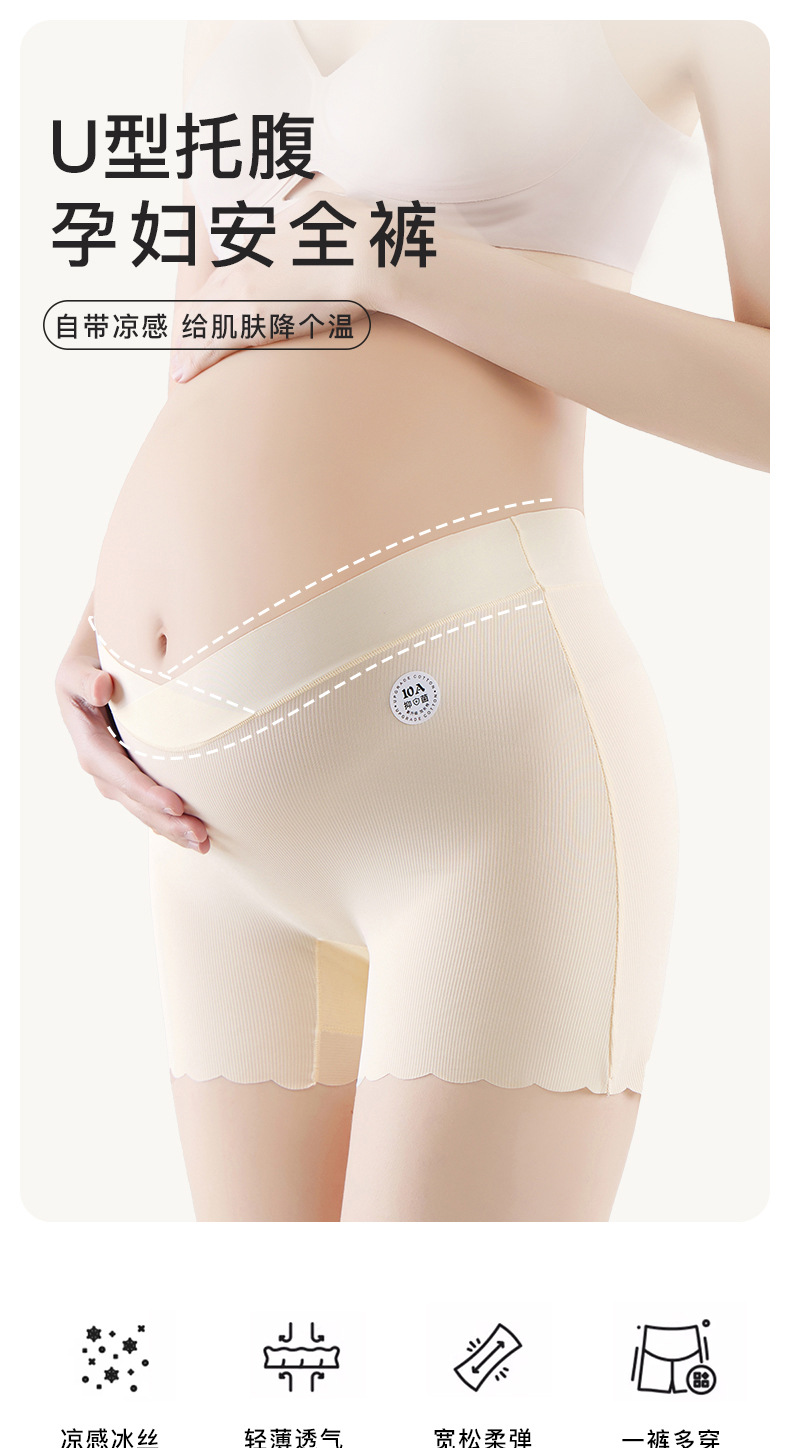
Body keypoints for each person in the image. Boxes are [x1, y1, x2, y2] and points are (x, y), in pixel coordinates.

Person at [55, 19, 768, 1223]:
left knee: (439, 1334)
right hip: (209, 832)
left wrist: (399, 260)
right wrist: (101, 620)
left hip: (484, 776)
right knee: (264, 1341)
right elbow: (204, 338)